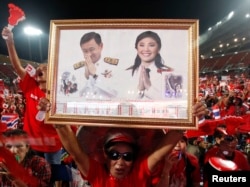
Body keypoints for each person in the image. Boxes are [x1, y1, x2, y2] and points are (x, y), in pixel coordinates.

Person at [48, 101, 207, 187]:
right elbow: (75, 152)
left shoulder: (140, 172)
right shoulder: (98, 173)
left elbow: (161, 151)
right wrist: (54, 112)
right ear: (105, 155)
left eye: (127, 156)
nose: (120, 162)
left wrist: (191, 116)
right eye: (114, 155)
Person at [2, 27, 63, 186]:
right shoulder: (30, 85)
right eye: (39, 68)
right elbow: (16, 65)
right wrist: (10, 41)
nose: (39, 70)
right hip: (31, 143)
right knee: (28, 174)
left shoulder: (59, 93)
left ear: (53, 74)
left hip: (52, 145)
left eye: (44, 69)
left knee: (50, 177)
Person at [126, 31, 176, 99]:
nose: (146, 49)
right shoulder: (127, 73)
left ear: (158, 49)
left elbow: (173, 102)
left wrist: (149, 87)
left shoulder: (169, 73)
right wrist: (140, 89)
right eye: (142, 45)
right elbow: (122, 102)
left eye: (151, 45)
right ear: (137, 49)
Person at [76, 32, 118, 99]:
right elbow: (74, 94)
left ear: (101, 46)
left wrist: (95, 75)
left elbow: (116, 92)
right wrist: (86, 77)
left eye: (92, 49)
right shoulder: (79, 69)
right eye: (85, 51)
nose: (89, 54)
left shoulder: (112, 66)